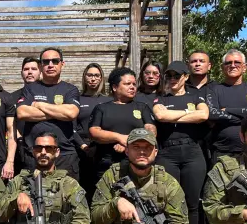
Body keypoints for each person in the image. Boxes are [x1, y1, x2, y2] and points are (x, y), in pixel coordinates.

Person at [151, 61, 210, 224]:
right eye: (169, 76)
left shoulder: (197, 97)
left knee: (192, 203)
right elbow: (161, 116)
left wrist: (176, 116)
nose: (172, 79)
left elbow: (203, 115)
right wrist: (188, 115)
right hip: (168, 153)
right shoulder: (160, 99)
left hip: (193, 153)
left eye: (177, 75)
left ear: (185, 77)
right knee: (167, 202)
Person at [16, 47, 81, 179]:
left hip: (64, 156)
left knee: (66, 197)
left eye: (55, 61)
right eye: (46, 62)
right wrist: (59, 112)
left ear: (62, 64)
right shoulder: (30, 88)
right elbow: (22, 113)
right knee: (34, 196)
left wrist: (39, 105)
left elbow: (71, 114)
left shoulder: (70, 89)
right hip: (35, 155)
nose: (50, 65)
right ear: (40, 65)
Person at [88, 67, 155, 181]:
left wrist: (128, 143)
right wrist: (119, 138)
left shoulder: (142, 107)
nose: (132, 87)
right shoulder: (102, 108)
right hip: (106, 162)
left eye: (134, 84)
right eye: (127, 84)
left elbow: (151, 130)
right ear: (115, 87)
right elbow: (94, 131)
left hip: (136, 162)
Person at [204, 49, 247, 165]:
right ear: (222, 67)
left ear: (245, 67)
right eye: (228, 63)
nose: (232, 65)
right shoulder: (213, 89)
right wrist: (246, 116)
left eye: (237, 62)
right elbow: (213, 114)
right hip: (221, 152)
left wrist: (226, 110)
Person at [73, 63, 110, 197]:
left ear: (101, 78)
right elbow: (72, 126)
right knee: (83, 188)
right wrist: (82, 145)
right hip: (81, 150)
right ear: (84, 77)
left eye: (96, 75)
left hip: (103, 150)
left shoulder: (108, 100)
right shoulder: (77, 99)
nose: (93, 78)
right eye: (90, 75)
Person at [12, 56, 41, 172]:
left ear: (41, 71)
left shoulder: (47, 95)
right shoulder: (12, 97)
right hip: (20, 151)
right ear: (21, 73)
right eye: (26, 69)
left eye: (33, 69)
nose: (29, 72)